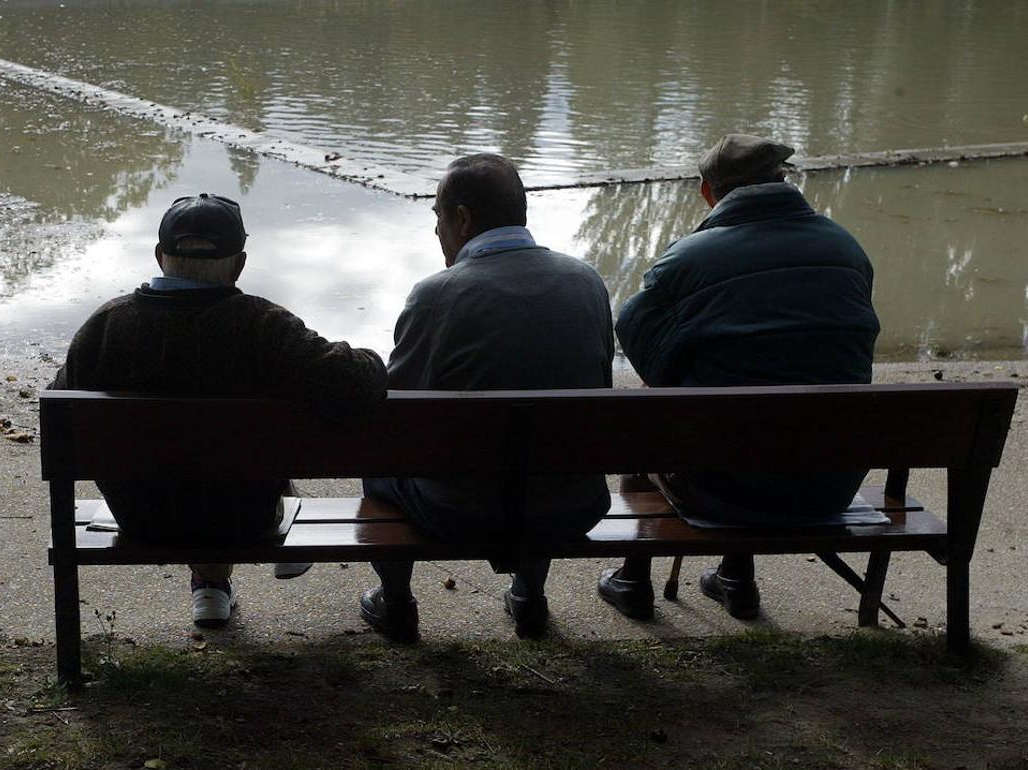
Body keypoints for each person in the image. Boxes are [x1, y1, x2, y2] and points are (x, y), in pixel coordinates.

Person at [53, 193, 386, 627]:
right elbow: (356, 383)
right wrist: (372, 357)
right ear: (239, 264)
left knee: (197, 463)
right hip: (245, 521)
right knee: (241, 453)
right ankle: (228, 571)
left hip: (142, 517)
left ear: (160, 256)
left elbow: (60, 414)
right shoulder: (263, 326)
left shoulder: (106, 325)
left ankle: (209, 586)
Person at [600, 134, 881, 621]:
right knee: (768, 391)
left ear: (708, 192)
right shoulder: (846, 248)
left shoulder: (687, 259)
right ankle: (736, 579)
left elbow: (638, 338)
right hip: (828, 482)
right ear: (784, 181)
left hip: (723, 491)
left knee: (656, 412)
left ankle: (633, 580)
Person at [359, 153, 615, 641]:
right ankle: (528, 597)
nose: (437, 231)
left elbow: (395, 411)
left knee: (380, 461)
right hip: (570, 504)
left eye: (437, 217)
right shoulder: (586, 282)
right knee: (543, 450)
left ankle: (395, 603)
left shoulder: (437, 294)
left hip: (461, 512)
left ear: (461, 219)